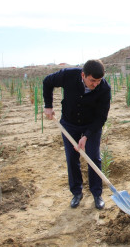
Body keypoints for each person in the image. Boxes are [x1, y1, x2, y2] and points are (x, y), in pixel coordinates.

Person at [43, 59, 111, 209]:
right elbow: (47, 82)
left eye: (99, 81)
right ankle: (76, 193)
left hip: (91, 125)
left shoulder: (104, 88)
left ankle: (96, 193)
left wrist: (86, 136)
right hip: (69, 124)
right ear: (83, 75)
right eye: (92, 80)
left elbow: (101, 117)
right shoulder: (68, 75)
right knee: (72, 158)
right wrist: (48, 106)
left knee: (93, 157)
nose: (95, 84)